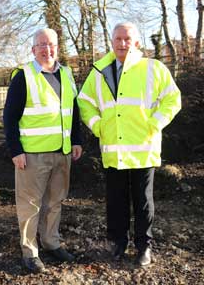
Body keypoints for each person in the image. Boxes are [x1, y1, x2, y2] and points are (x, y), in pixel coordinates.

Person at [77, 22, 181, 266]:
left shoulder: (153, 68)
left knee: (143, 201)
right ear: (111, 42)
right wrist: (98, 126)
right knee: (115, 201)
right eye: (118, 39)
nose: (122, 43)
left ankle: (144, 246)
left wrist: (155, 123)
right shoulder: (100, 70)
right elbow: (84, 102)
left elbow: (172, 99)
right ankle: (118, 244)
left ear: (136, 42)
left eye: (127, 39)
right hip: (113, 149)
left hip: (143, 148)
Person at [4, 28, 82, 273]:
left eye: (52, 45)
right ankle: (30, 251)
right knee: (30, 205)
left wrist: (77, 140)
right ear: (33, 49)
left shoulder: (67, 74)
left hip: (63, 151)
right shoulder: (23, 76)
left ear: (57, 47)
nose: (48, 49)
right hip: (32, 155)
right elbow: (9, 116)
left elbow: (74, 110)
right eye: (42, 45)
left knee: (55, 201)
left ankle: (51, 242)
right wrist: (15, 150)